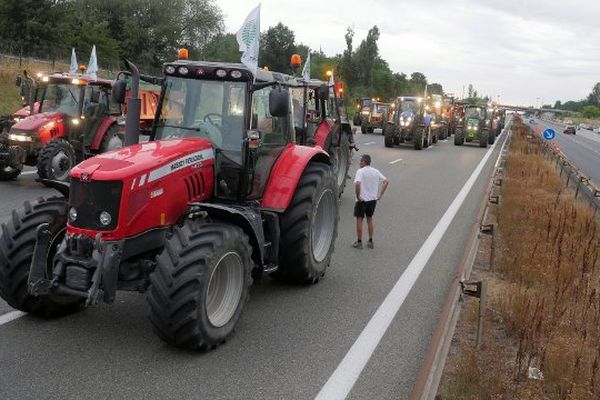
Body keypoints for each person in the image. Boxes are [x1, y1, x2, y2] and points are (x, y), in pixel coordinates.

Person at [352, 154, 389, 249]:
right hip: (372, 200)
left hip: (362, 200)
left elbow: (357, 184)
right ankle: (370, 241)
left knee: (359, 220)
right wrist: (380, 195)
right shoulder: (375, 171)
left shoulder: (360, 171)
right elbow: (386, 181)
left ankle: (359, 242)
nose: (359, 163)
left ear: (364, 162)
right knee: (369, 219)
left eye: (360, 161)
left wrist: (358, 196)